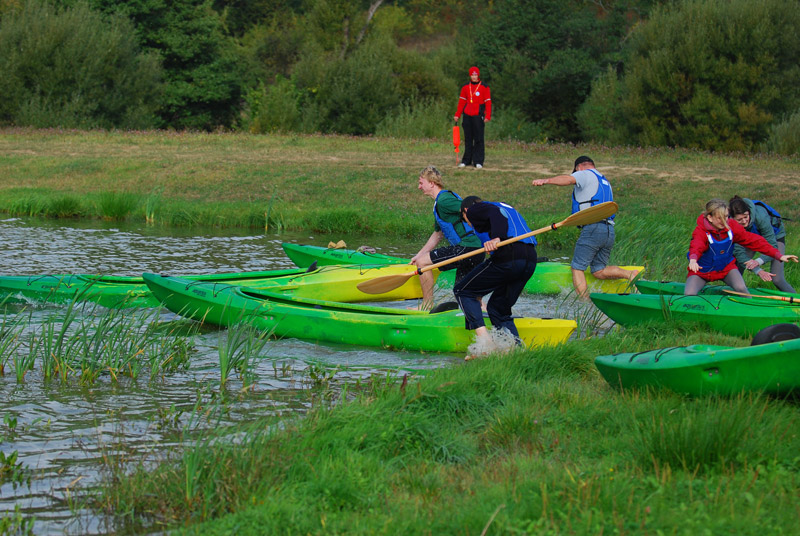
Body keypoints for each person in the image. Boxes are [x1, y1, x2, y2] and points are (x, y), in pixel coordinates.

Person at [531, 155, 639, 298]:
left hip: (593, 228)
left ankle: (584, 303)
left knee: (577, 268)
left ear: (578, 167)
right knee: (598, 270)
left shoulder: (584, 173)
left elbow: (568, 179)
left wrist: (546, 181)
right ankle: (630, 274)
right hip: (608, 230)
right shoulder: (604, 180)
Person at [454, 196, 537, 360]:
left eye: (464, 218)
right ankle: (515, 352)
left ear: (465, 211)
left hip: (510, 256)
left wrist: (497, 238)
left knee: (463, 290)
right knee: (498, 309)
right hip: (530, 259)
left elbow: (494, 214)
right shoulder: (509, 208)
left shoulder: (476, 208)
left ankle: (485, 344)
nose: (468, 222)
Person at [686, 199, 798, 296]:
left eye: (725, 217)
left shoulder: (732, 226)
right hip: (702, 270)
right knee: (689, 294)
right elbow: (696, 246)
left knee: (741, 289)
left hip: (726, 269)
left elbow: (754, 241)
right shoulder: (701, 231)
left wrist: (778, 255)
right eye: (720, 218)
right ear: (710, 218)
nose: (724, 221)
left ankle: (750, 312)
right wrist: (693, 260)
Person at [409, 166, 484, 310]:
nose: (419, 187)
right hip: (476, 250)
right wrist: (419, 255)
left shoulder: (444, 200)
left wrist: (491, 235)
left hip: (467, 248)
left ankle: (426, 305)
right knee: (463, 293)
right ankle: (485, 313)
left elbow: (473, 208)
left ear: (431, 183)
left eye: (421, 182)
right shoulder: (439, 204)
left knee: (423, 264)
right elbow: (437, 235)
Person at [728, 195, 796, 293]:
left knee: (777, 279)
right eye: (739, 220)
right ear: (733, 218)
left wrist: (759, 261)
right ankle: (737, 295)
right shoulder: (730, 224)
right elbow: (738, 251)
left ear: (749, 212)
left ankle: (796, 300)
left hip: (774, 236)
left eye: (746, 217)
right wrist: (757, 270)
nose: (744, 221)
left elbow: (772, 245)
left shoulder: (760, 216)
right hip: (750, 237)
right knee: (737, 270)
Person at [454, 66, 491, 169]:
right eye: (472, 75)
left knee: (478, 139)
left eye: (475, 74)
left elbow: (488, 102)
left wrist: (488, 115)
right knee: (468, 139)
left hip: (478, 116)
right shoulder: (465, 87)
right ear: (470, 75)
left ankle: (478, 161)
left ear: (478, 75)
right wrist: (457, 114)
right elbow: (461, 102)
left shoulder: (484, 87)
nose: (474, 76)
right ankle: (466, 160)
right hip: (467, 116)